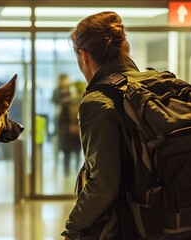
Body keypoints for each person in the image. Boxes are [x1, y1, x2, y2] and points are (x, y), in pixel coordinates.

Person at [62, 11, 137, 239]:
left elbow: (103, 186)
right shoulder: (143, 85)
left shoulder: (98, 101)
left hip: (130, 223)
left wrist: (72, 228)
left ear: (84, 56)